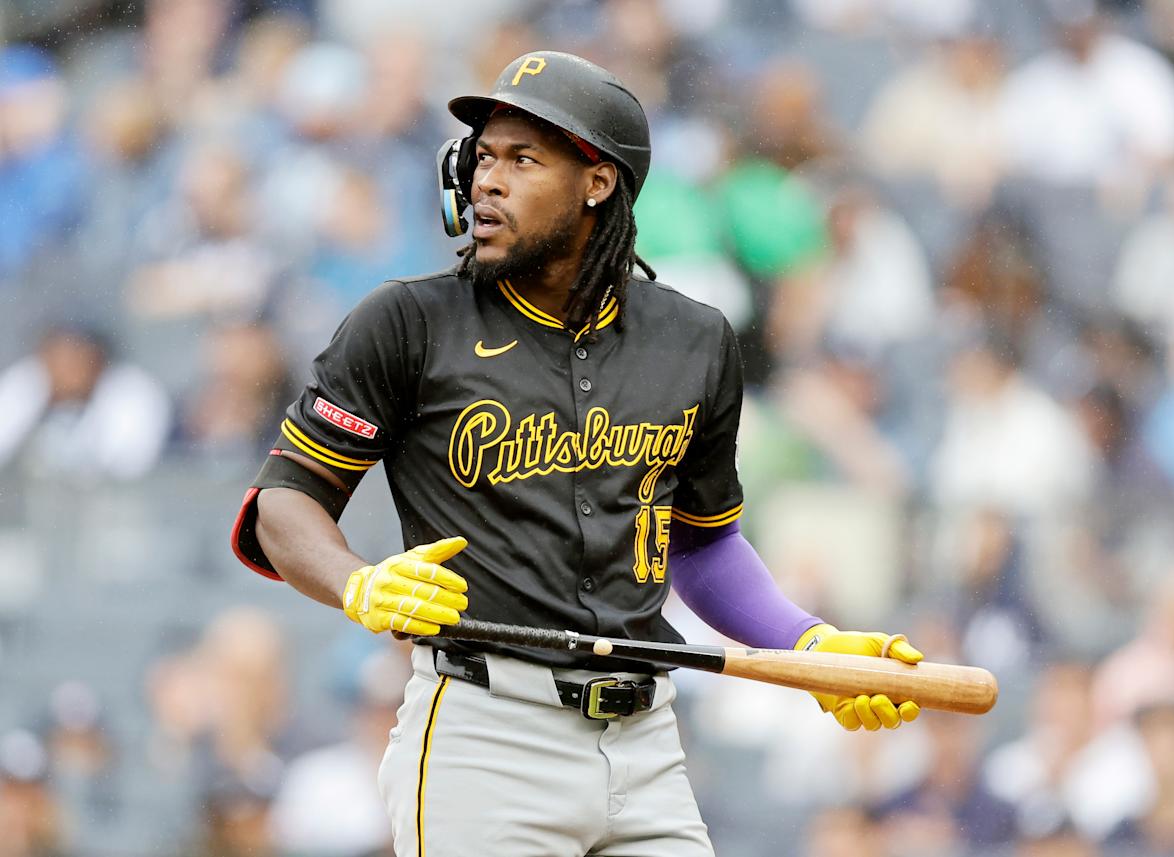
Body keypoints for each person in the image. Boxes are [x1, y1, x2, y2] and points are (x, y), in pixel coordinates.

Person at [231, 50, 923, 856]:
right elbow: (284, 500)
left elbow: (701, 543)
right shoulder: (408, 323)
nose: (487, 181)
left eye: (522, 159)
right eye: (483, 157)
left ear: (597, 182)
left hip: (646, 743)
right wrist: (358, 580)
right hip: (485, 736)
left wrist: (808, 642)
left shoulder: (695, 340)